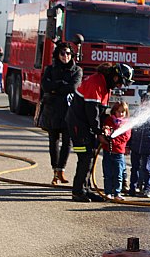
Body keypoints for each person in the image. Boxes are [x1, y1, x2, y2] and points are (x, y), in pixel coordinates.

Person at [67, 62, 134, 202]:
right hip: (78, 126)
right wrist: (99, 131)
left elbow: (101, 112)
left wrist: (106, 126)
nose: (120, 86)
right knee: (85, 157)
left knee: (89, 157)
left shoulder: (105, 85)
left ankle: (86, 189)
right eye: (121, 82)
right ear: (115, 77)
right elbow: (92, 112)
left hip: (86, 126)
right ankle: (78, 191)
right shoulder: (96, 83)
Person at [41, 43, 83, 185]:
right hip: (52, 109)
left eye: (68, 53)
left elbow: (73, 87)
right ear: (57, 55)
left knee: (67, 142)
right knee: (53, 141)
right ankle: (54, 172)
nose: (65, 56)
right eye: (62, 53)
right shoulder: (50, 69)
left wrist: (56, 86)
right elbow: (45, 86)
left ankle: (61, 170)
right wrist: (61, 85)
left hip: (69, 110)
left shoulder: (77, 70)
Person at [100, 101, 131, 201]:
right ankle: (108, 192)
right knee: (107, 174)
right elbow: (107, 129)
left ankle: (117, 193)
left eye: (123, 112)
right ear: (114, 111)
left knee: (118, 174)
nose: (121, 114)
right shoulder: (109, 120)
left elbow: (125, 137)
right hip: (107, 152)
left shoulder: (126, 124)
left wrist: (112, 141)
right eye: (119, 111)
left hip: (119, 154)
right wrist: (106, 132)